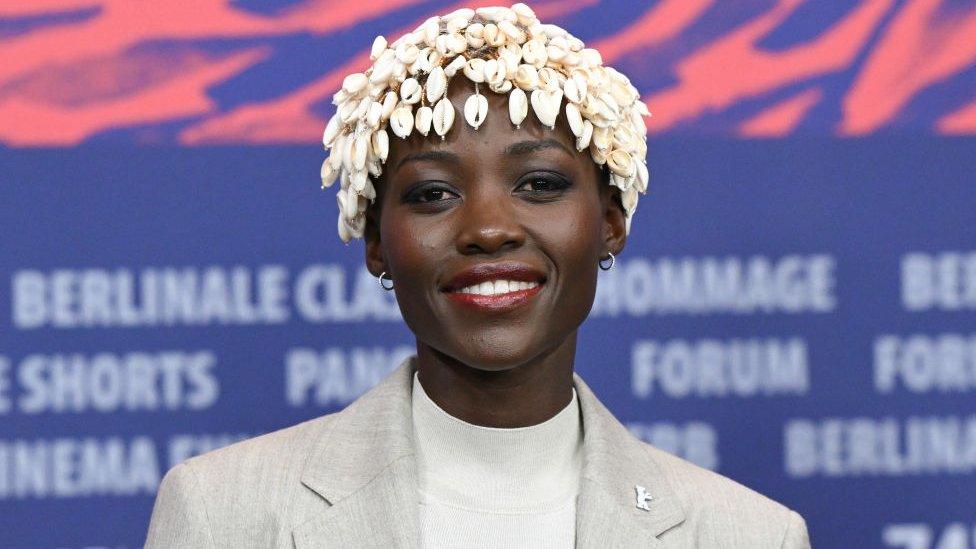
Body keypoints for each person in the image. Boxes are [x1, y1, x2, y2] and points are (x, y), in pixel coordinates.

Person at [145, 4, 811, 548]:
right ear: (376, 241)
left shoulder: (748, 534)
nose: (488, 227)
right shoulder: (220, 515)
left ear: (610, 221)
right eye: (432, 194)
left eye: (541, 183)